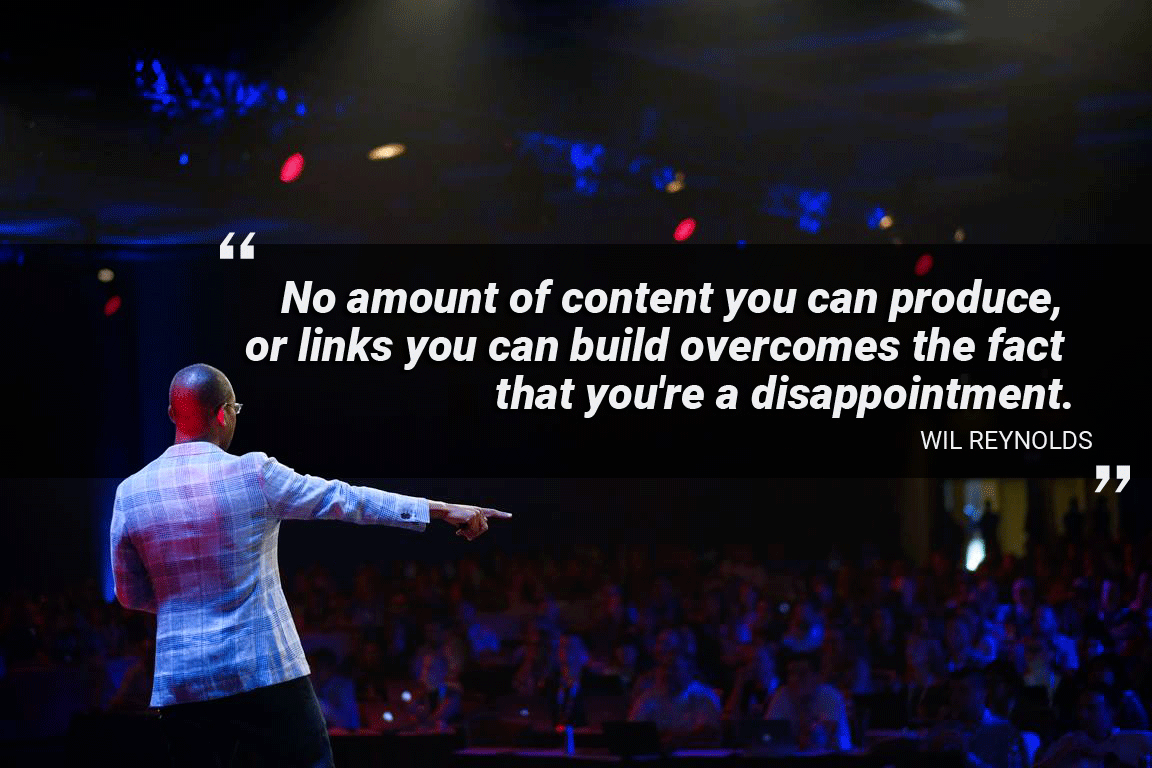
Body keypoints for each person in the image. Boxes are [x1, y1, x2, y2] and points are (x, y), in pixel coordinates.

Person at [110, 364, 511, 768]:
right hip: (262, 671)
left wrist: (185, 608)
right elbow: (346, 499)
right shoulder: (253, 473)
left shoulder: (130, 493)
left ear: (172, 414)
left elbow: (129, 595)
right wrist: (441, 509)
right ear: (223, 413)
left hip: (181, 683)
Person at [923, 666, 1027, 768]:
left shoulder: (1004, 732)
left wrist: (967, 756)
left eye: (963, 691)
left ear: (983, 693)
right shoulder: (945, 726)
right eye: (952, 691)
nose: (955, 698)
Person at [1037, 684, 1152, 768]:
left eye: (1091, 708)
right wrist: (1063, 753)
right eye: (1080, 708)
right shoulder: (1067, 742)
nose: (1082, 714)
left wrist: (1101, 753)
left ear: (1112, 711)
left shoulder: (1139, 740)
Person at [765, 651, 852, 752]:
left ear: (816, 677)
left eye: (802, 674)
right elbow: (767, 735)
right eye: (791, 673)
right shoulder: (782, 694)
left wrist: (801, 705)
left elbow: (820, 741)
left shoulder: (830, 695)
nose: (795, 679)